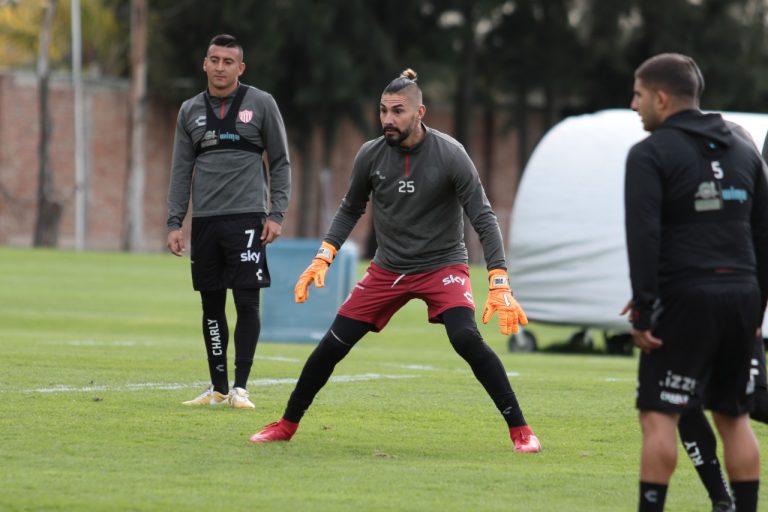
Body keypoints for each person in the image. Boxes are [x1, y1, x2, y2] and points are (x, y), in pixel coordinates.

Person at [249, 69, 541, 452]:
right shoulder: (370, 154)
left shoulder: (451, 154)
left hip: (443, 266)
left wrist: (499, 280)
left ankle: (521, 431)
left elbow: (483, 217)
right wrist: (324, 256)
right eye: (383, 110)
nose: (388, 119)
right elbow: (350, 208)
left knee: (466, 338)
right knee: (332, 346)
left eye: (397, 111)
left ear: (420, 112)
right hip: (388, 270)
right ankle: (286, 425)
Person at [623, 53, 767, 512]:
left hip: (684, 299)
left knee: (659, 415)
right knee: (734, 416)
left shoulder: (648, 154)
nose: (633, 104)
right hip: (742, 297)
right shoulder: (745, 148)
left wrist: (645, 308)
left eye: (639, 94)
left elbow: (643, 237)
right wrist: (757, 309)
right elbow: (763, 235)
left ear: (662, 99)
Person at [166, 34, 291, 409]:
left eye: (228, 61)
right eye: (214, 60)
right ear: (205, 64)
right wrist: (175, 222)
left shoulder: (262, 104)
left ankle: (241, 387)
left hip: (248, 219)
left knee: (247, 304)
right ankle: (218, 388)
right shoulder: (189, 110)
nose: (220, 67)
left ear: (241, 68)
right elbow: (180, 170)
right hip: (205, 222)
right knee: (211, 307)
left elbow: (281, 162)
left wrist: (276, 214)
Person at [675, 123, 768, 512]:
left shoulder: (751, 201)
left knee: (749, 406)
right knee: (683, 403)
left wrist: (754, 314)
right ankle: (721, 500)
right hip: (694, 317)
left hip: (735, 316)